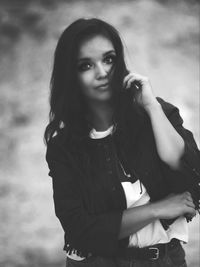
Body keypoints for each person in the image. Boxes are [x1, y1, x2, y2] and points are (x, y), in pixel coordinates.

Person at [44, 18, 200, 267]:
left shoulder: (156, 113)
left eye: (109, 59)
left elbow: (187, 173)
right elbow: (80, 230)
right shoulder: (64, 146)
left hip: (165, 260)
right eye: (86, 65)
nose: (102, 72)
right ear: (70, 75)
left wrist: (151, 107)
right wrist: (157, 209)